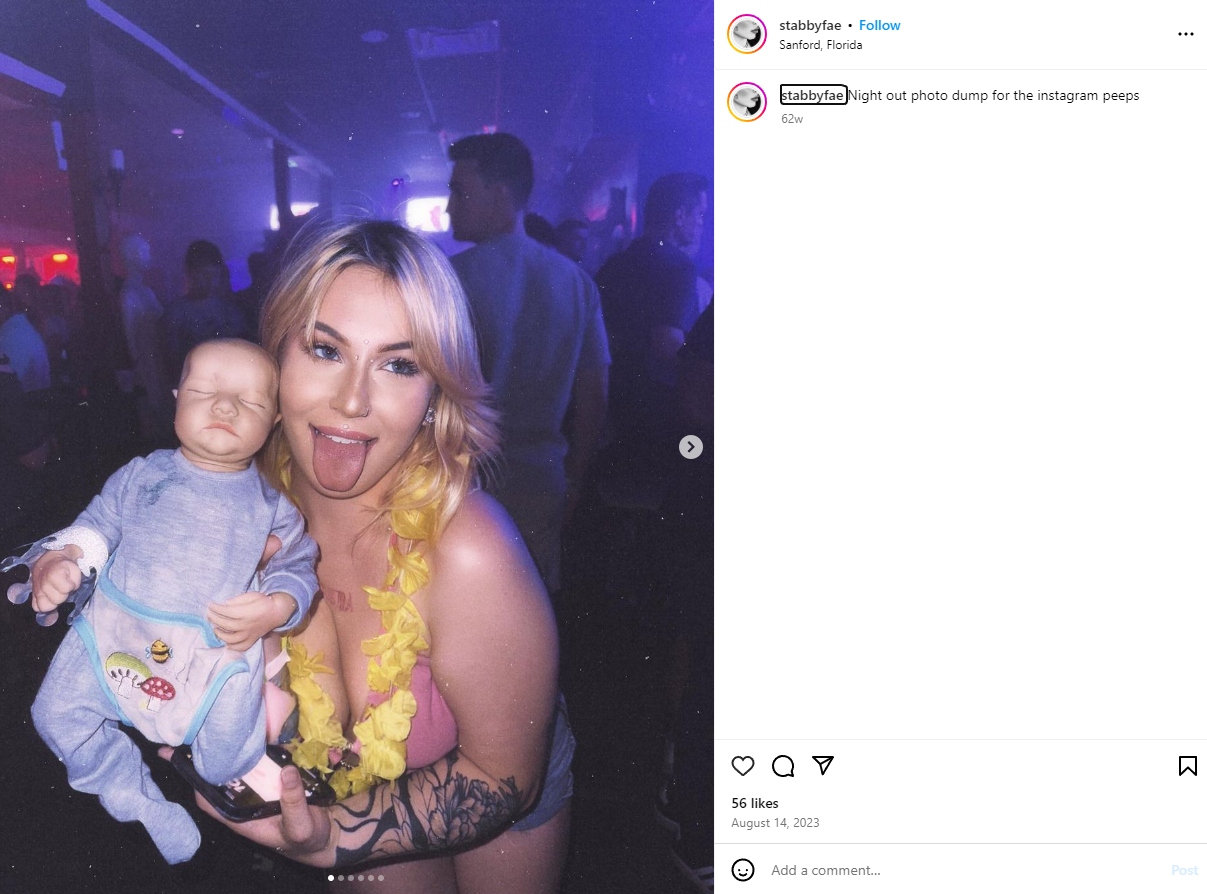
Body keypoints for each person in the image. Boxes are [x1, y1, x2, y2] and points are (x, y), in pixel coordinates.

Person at [134, 220, 571, 894]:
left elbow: (501, 777)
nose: (351, 400)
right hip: (350, 790)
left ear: (435, 394)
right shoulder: (235, 521)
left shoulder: (469, 550)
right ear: (276, 358)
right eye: (324, 350)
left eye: (399, 364)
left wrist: (334, 841)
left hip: (493, 786)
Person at [9, 338, 319, 864]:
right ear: (175, 399)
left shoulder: (271, 507)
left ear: (273, 424)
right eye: (203, 391)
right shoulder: (141, 474)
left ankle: (227, 758)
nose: (225, 407)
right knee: (53, 715)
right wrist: (63, 559)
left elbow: (297, 562)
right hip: (116, 632)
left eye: (249, 401)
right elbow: (98, 524)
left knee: (226, 762)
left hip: (210, 651)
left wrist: (278, 606)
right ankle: (137, 800)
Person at [447, 133, 611, 589]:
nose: (450, 207)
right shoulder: (576, 282)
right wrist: (575, 478)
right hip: (542, 480)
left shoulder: (450, 278)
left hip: (464, 482)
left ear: (501, 195)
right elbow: (594, 395)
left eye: (461, 191)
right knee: (534, 601)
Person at [596, 172, 709, 495]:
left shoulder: (615, 264)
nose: (701, 224)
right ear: (679, 217)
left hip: (612, 408)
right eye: (699, 215)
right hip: (658, 413)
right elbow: (668, 344)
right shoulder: (678, 267)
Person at [163, 240, 250, 381]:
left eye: (214, 276)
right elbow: (171, 360)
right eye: (204, 275)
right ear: (190, 274)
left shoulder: (229, 310)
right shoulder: (175, 313)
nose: (210, 282)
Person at [118, 235, 172, 446]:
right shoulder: (129, 294)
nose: (150, 256)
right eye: (146, 251)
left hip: (155, 362)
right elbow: (130, 337)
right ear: (134, 255)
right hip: (146, 366)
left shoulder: (144, 291)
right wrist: (139, 370)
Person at [0, 273, 51, 392]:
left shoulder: (15, 332)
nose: (20, 297)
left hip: (29, 400)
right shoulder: (17, 326)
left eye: (25, 292)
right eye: (17, 292)